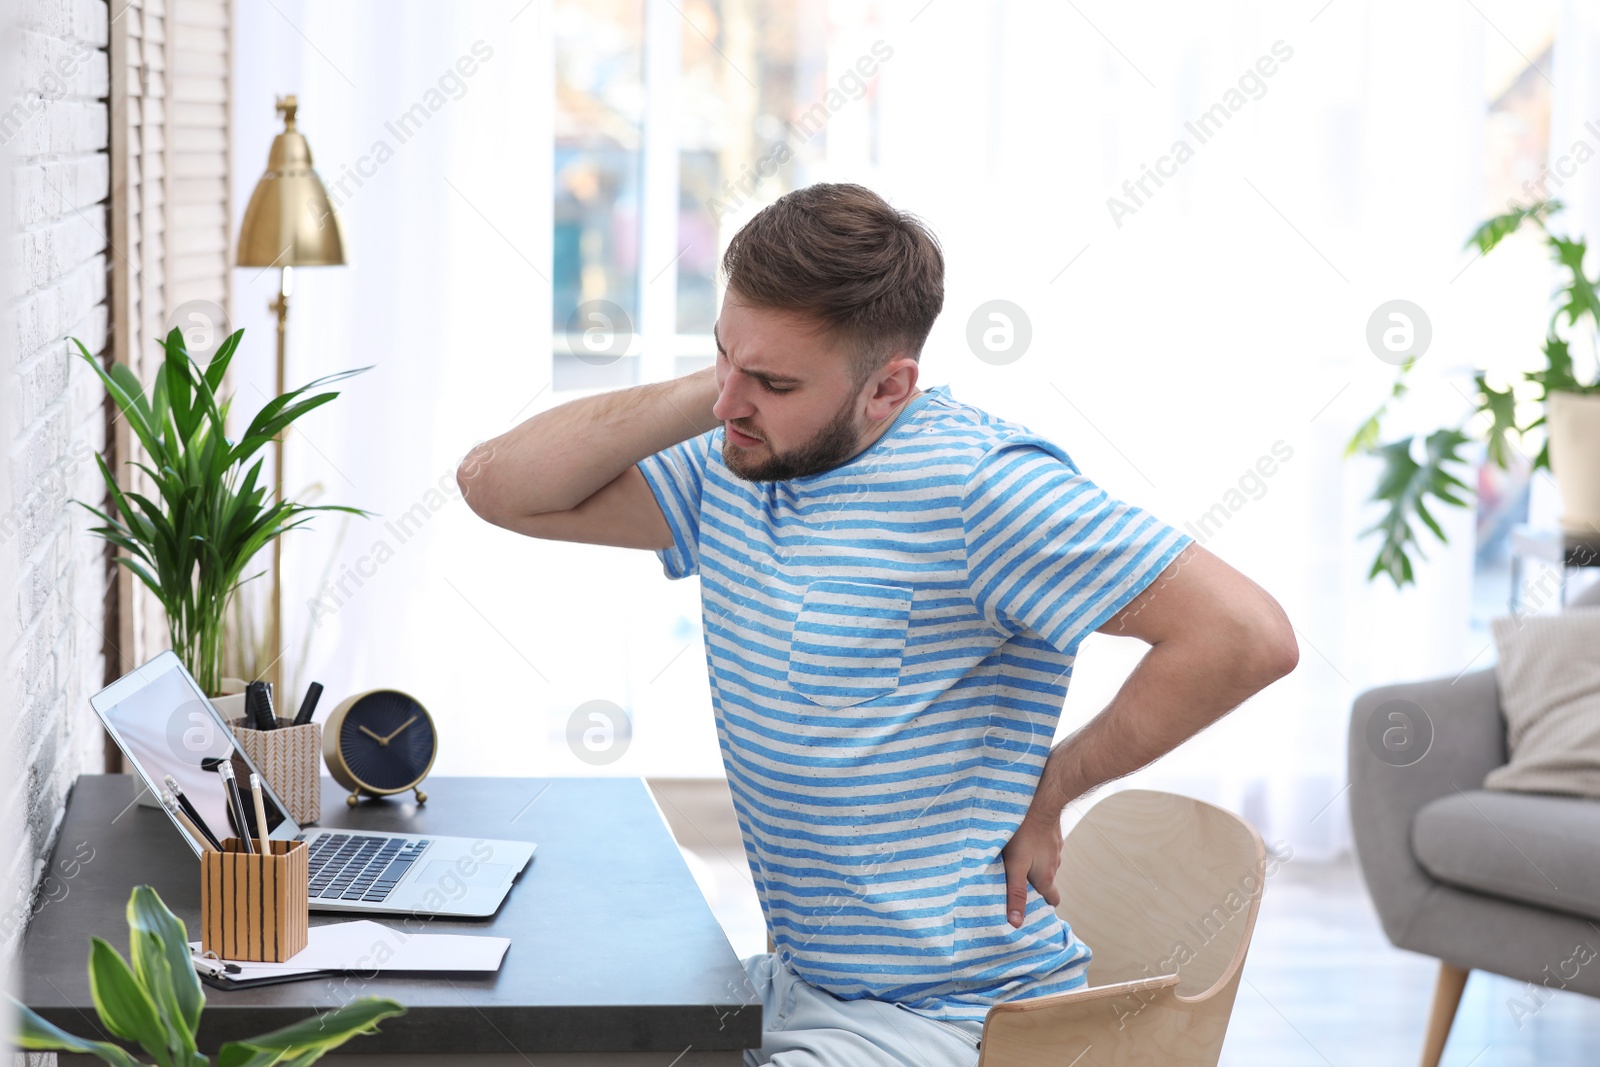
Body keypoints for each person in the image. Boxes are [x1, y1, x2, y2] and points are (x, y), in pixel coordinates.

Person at [459, 182, 1298, 1066]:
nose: (727, 404)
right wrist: (736, 377)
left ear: (890, 386)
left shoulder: (982, 488)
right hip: (805, 985)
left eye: (776, 380)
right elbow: (497, 485)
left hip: (952, 1020)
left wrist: (1053, 785)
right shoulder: (741, 459)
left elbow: (1245, 633)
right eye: (723, 356)